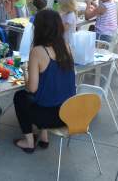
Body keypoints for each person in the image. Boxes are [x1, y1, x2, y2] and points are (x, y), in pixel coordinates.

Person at [13, 9, 76, 153]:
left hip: (50, 117)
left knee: (20, 97)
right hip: (69, 113)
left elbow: (32, 88)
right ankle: (44, 136)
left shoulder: (38, 51)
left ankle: (29, 142)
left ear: (40, 29)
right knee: (48, 93)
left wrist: (25, 72)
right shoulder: (65, 46)